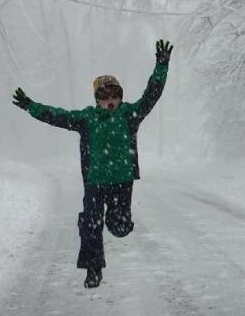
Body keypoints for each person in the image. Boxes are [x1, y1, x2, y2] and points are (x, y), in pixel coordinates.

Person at [11, 39, 174, 288]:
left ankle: (117, 221)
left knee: (119, 229)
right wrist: (30, 106)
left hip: (122, 180)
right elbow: (57, 116)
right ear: (97, 99)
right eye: (104, 96)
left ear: (120, 97)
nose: (110, 101)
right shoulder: (87, 119)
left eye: (115, 95)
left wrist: (161, 66)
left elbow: (152, 95)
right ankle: (93, 269)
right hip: (95, 181)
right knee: (90, 223)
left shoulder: (129, 115)